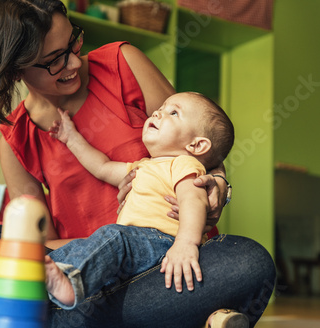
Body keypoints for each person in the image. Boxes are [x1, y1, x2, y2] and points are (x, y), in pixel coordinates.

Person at [0, 1, 276, 328]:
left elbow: (198, 138)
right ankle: (179, 323)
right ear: (16, 71)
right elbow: (37, 243)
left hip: (168, 261)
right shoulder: (17, 139)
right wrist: (104, 252)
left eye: (73, 43)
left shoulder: (124, 64)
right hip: (78, 269)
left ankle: (14, 315)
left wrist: (218, 186)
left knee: (250, 262)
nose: (74, 63)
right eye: (54, 60)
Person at [44, 91, 234, 309]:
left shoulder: (185, 165)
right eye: (161, 107)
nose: (158, 112)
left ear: (196, 146)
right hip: (135, 246)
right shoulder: (143, 166)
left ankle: (69, 283)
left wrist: (186, 243)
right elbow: (102, 167)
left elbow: (194, 201)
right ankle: (28, 273)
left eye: (173, 112)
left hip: (164, 243)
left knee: (112, 237)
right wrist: (71, 138)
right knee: (85, 245)